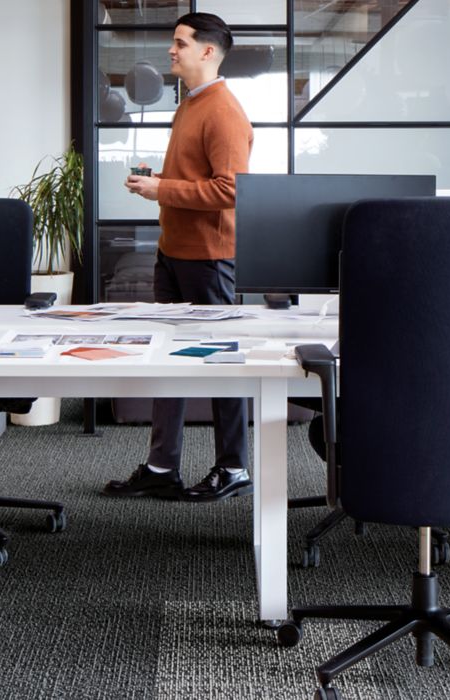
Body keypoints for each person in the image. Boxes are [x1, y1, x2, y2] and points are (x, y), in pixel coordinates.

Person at [104, 13, 256, 502]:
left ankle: (234, 467)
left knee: (220, 363)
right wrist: (158, 181)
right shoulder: (189, 104)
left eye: (180, 43)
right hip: (173, 252)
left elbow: (231, 191)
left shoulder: (224, 111)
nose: (171, 51)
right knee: (166, 360)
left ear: (207, 52)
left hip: (209, 258)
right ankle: (161, 465)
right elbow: (194, 175)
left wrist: (161, 188)